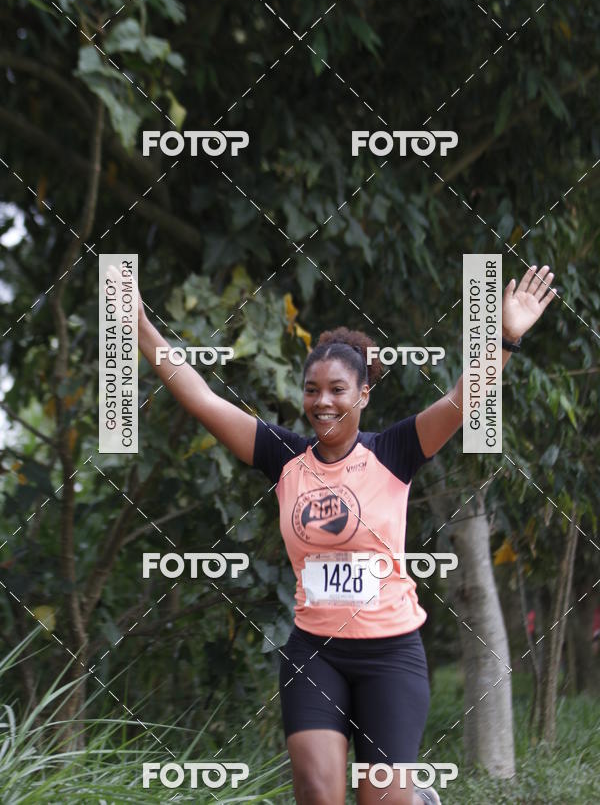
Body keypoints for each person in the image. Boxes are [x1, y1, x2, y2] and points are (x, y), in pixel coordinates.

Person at [127, 263, 557, 805]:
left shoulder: (394, 452)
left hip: (391, 655)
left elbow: (461, 399)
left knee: (381, 800)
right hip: (316, 654)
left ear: (364, 396)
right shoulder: (283, 458)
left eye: (337, 389)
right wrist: (140, 324)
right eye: (312, 390)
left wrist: (506, 338)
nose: (323, 402)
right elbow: (202, 399)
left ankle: (417, 797)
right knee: (318, 792)